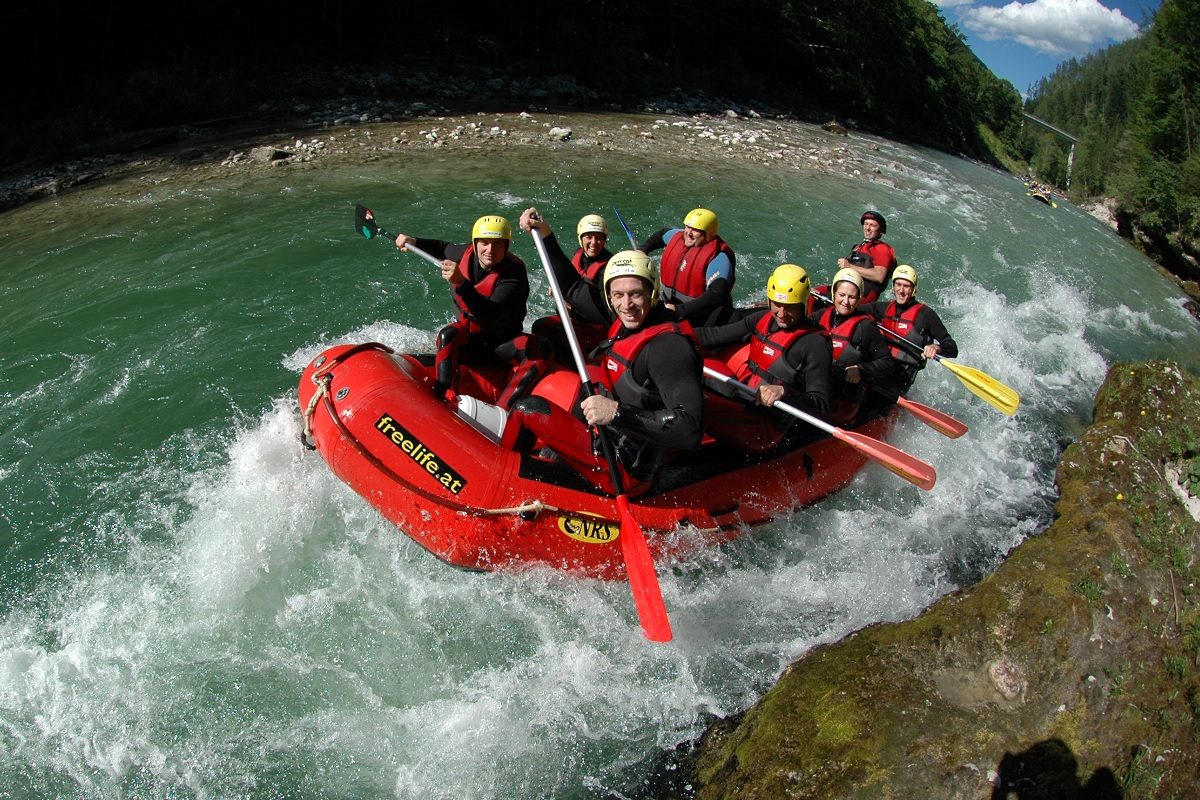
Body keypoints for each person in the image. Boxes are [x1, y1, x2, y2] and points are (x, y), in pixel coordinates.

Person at [500, 251, 705, 496]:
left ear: (652, 293)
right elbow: (574, 287)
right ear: (610, 297)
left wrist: (617, 413)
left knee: (528, 410)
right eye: (618, 295)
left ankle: (499, 476)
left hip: (626, 468)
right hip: (602, 437)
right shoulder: (624, 319)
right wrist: (545, 236)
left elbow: (690, 430)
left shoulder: (669, 348)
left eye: (635, 294)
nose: (626, 305)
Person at [393, 215, 548, 408]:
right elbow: (442, 248)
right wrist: (414, 241)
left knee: (540, 347)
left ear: (507, 246)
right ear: (475, 244)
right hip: (471, 341)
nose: (490, 250)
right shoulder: (464, 253)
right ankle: (445, 399)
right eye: (484, 243)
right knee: (447, 334)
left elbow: (490, 313)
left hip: (501, 346)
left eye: (497, 244)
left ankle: (503, 411)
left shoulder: (514, 274)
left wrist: (461, 283)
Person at [697, 264, 832, 453]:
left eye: (790, 307)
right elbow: (715, 335)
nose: (782, 313)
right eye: (777, 304)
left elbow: (820, 405)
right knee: (690, 362)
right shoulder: (762, 318)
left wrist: (783, 392)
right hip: (742, 397)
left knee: (693, 400)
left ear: (802, 303)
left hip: (766, 425)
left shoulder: (815, 344)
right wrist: (674, 333)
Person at [519, 207, 612, 357]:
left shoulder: (607, 269)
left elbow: (600, 310)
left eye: (599, 238)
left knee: (548, 330)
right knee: (539, 326)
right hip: (573, 318)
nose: (594, 242)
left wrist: (568, 300)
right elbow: (568, 276)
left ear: (605, 240)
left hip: (593, 328)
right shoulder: (579, 254)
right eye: (589, 237)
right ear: (581, 238)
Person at [809, 267, 894, 422]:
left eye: (852, 297)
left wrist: (860, 369)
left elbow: (887, 363)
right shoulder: (821, 316)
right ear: (834, 294)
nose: (845, 302)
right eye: (841, 295)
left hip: (844, 397)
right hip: (818, 384)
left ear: (860, 299)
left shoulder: (866, 328)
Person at [860, 264, 958, 392]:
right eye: (898, 285)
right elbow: (853, 309)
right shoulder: (884, 309)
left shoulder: (926, 315)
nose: (901, 290)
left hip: (900, 378)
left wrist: (936, 347)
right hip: (879, 366)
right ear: (893, 287)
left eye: (906, 286)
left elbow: (952, 348)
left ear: (913, 289)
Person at [636, 207, 736, 327]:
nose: (688, 232)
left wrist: (679, 310)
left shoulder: (719, 257)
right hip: (670, 307)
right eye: (688, 226)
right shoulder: (678, 237)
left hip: (700, 317)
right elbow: (662, 234)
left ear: (708, 233)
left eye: (696, 229)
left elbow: (716, 293)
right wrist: (643, 250)